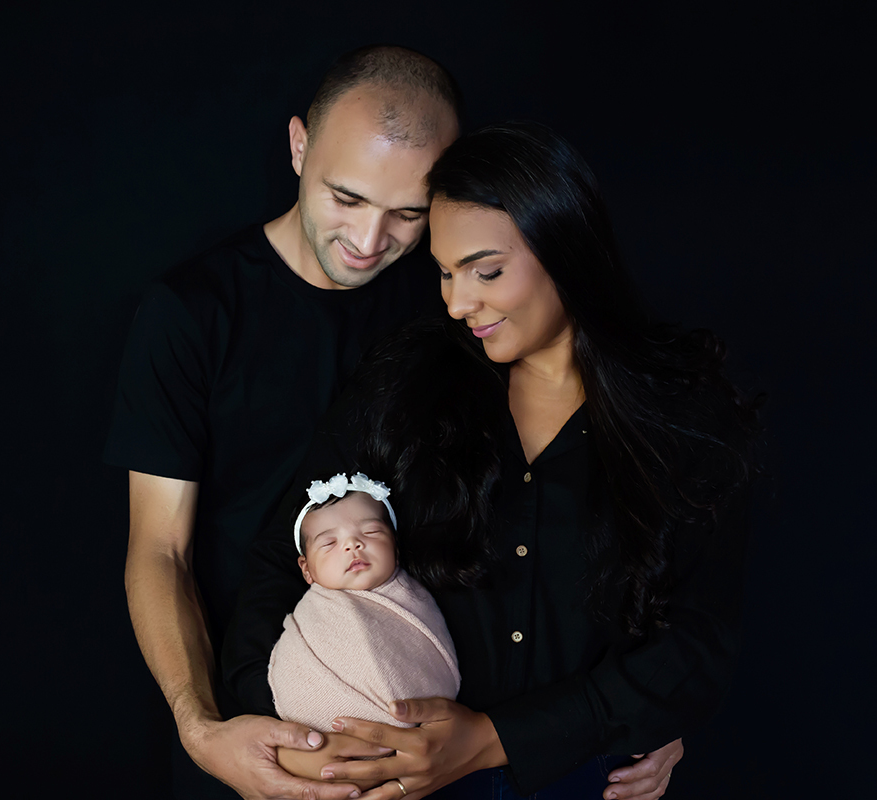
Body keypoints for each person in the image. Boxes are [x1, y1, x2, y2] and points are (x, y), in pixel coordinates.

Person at [224, 122, 760, 799]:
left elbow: (700, 640)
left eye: (486, 271)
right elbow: (283, 550)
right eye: (445, 273)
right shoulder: (404, 383)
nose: (457, 302)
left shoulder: (682, 411)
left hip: (586, 778)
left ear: (567, 249)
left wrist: (506, 739)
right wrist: (277, 725)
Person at [104, 45, 461, 800]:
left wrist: (628, 717)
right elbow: (159, 550)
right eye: (347, 198)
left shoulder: (450, 304)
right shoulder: (192, 314)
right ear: (299, 147)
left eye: (407, 214)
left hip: (412, 741)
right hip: (246, 736)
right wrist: (201, 729)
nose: (370, 243)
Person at [270, 473, 460, 790]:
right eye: (330, 543)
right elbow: (293, 668)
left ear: (396, 548)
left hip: (428, 752)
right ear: (307, 569)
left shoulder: (416, 597)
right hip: (322, 751)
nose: (353, 544)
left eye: (371, 532)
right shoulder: (313, 615)